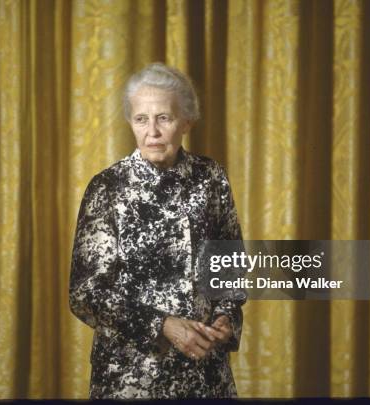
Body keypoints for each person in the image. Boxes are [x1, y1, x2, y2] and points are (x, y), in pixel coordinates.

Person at [69, 62, 246, 399]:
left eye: (164, 118)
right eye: (141, 119)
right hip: (130, 379)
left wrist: (227, 316)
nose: (152, 131)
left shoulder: (211, 178)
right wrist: (162, 325)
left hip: (205, 378)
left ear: (187, 122)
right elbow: (85, 293)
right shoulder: (108, 187)